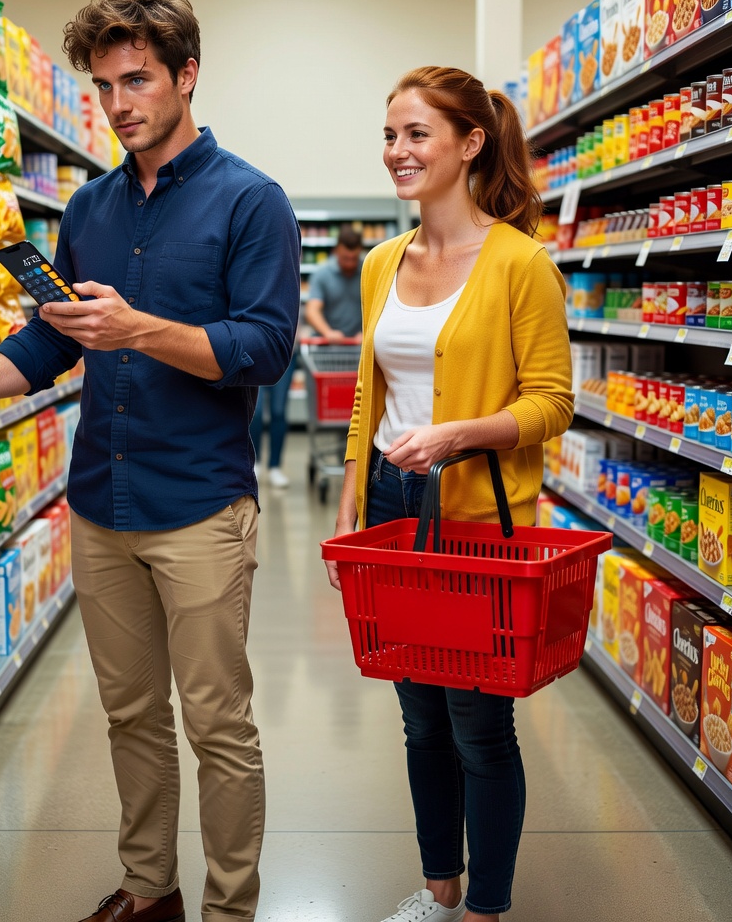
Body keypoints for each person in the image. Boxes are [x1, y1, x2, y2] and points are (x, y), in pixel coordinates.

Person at [0, 0, 300, 922]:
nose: (119, 104)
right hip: (101, 506)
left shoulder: (252, 201)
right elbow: (48, 344)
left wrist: (141, 328)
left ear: (187, 76)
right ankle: (151, 891)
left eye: (138, 79)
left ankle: (233, 910)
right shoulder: (90, 206)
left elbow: (266, 350)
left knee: (219, 728)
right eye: (105, 85)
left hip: (199, 509)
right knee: (131, 717)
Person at [324, 66, 573, 922]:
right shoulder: (384, 262)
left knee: (478, 725)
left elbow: (552, 402)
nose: (398, 151)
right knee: (418, 717)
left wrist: (459, 435)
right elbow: (367, 389)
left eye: (417, 134)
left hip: (477, 519)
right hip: (395, 508)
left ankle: (486, 909)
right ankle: (440, 887)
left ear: (470, 144)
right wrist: (352, 498)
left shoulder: (520, 263)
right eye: (390, 134)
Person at [305, 223, 364, 341]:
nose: (350, 264)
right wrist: (328, 332)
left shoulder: (368, 271)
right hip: (329, 347)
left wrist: (368, 332)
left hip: (360, 345)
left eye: (354, 258)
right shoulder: (322, 273)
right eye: (345, 258)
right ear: (336, 251)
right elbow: (312, 310)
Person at [248, 345, 296, 488]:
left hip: (286, 350)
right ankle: (254, 463)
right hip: (256, 351)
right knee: (256, 412)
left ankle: (275, 466)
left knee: (278, 411)